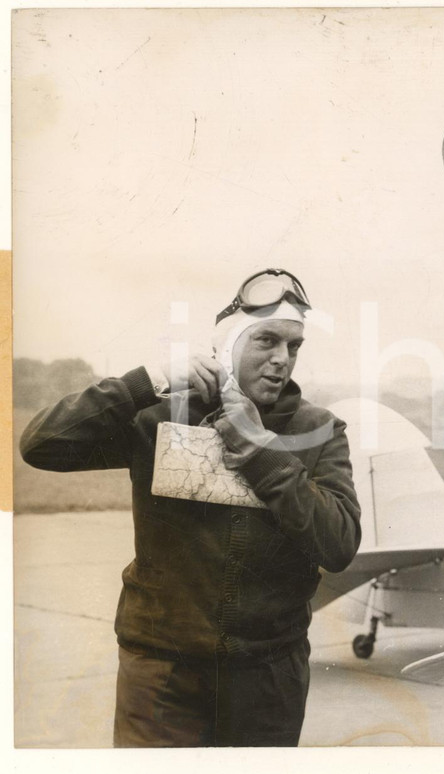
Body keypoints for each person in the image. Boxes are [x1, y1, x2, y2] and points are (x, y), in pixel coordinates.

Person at [20, 268, 362, 747]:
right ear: (227, 345)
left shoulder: (320, 429)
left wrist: (262, 449)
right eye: (266, 341)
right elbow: (42, 445)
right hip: (161, 674)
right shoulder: (162, 415)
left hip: (266, 680)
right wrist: (147, 381)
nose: (282, 359)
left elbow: (340, 543)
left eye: (294, 346)